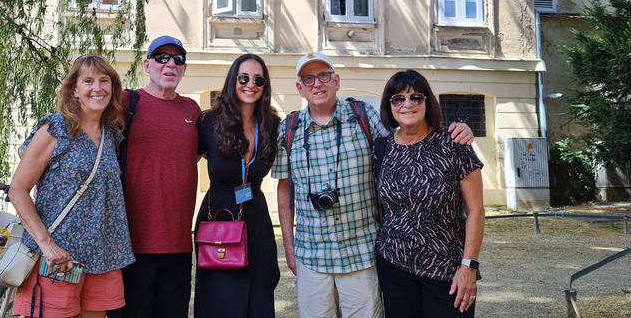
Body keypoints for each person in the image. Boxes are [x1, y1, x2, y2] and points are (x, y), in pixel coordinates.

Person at [273, 53, 474, 318]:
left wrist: (453, 130)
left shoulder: (363, 116)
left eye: (324, 76)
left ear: (336, 81)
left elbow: (407, 139)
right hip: (312, 256)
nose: (317, 84)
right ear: (299, 88)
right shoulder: (288, 128)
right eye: (308, 79)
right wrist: (288, 247)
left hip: (362, 254)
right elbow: (285, 190)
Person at [8, 54, 134, 318]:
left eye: (104, 81)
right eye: (88, 81)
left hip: (103, 256)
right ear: (74, 90)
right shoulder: (56, 128)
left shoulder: (112, 135)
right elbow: (17, 189)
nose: (97, 88)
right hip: (59, 257)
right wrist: (46, 245)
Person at [374, 70, 484, 317]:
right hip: (394, 266)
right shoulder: (381, 149)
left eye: (416, 97)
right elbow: (382, 209)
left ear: (428, 102)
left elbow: (476, 210)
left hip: (448, 269)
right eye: (398, 99)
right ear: (389, 105)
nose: (407, 104)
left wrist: (469, 267)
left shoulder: (454, 144)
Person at [107, 35, 201, 318]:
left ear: (183, 68)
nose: (170, 64)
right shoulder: (126, 102)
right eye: (161, 58)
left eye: (177, 59)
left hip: (179, 243)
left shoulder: (192, 110)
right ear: (147, 65)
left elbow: (192, 157)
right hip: (131, 242)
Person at [193, 54, 281, 318]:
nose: (250, 84)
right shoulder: (209, 122)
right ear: (233, 81)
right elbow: (184, 164)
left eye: (258, 79)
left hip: (256, 218)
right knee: (221, 302)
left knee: (259, 296)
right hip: (218, 215)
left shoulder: (272, 125)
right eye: (243, 78)